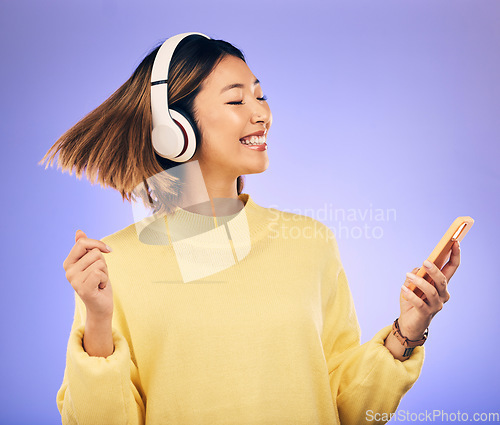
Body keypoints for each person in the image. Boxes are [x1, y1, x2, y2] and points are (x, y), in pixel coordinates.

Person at [40, 33, 461, 425]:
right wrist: (97, 322)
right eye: (237, 100)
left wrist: (408, 329)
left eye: (261, 96)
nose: (263, 113)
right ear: (175, 129)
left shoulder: (311, 243)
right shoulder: (113, 267)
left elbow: (350, 409)